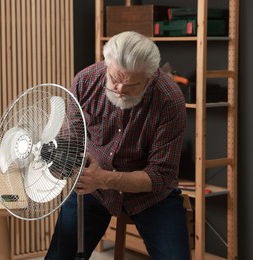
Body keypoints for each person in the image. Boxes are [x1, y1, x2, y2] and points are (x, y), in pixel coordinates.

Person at [45, 31, 191, 260]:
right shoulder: (85, 81)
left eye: (132, 84)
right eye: (114, 79)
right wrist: (55, 157)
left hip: (150, 196)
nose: (120, 91)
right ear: (106, 65)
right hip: (95, 192)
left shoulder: (170, 99)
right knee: (59, 257)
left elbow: (160, 176)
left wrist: (103, 178)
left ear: (151, 77)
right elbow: (72, 138)